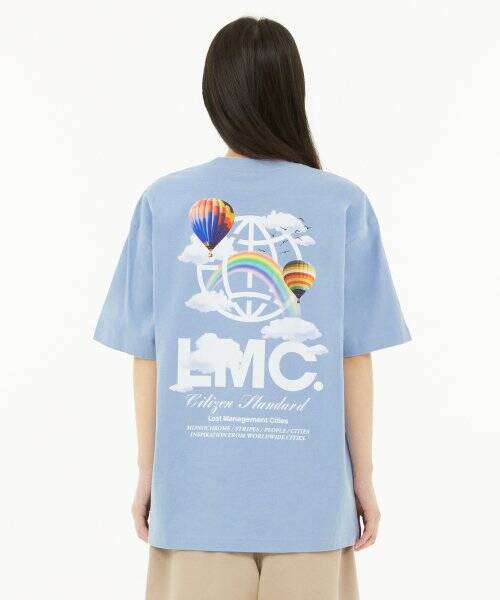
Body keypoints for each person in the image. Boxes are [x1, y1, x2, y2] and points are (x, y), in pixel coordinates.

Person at [94, 16, 410, 600]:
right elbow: (353, 359)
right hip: (311, 506)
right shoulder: (343, 202)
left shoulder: (163, 201)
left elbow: (149, 357)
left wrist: (148, 473)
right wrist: (362, 478)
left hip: (196, 503)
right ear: (293, 92)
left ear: (214, 95)